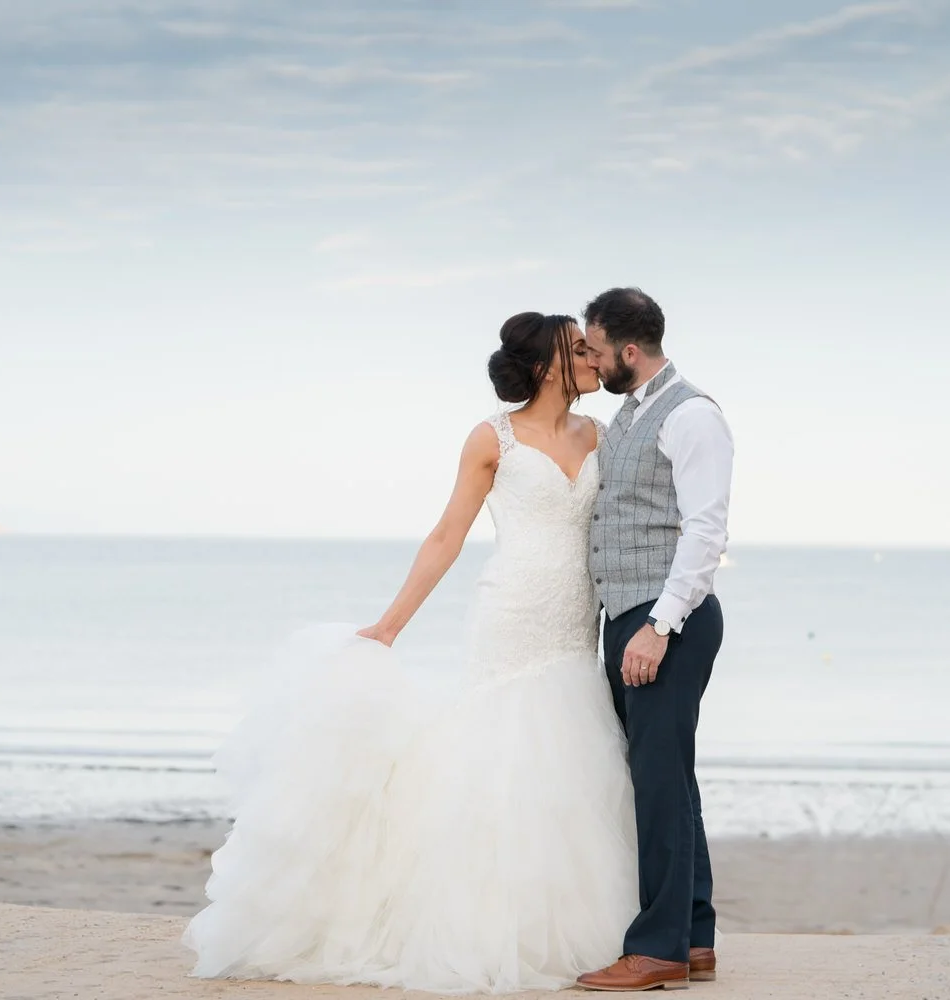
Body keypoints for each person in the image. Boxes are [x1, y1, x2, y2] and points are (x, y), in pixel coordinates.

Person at [183, 312, 640, 993]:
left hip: (577, 626)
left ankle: (577, 929)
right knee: (504, 763)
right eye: (578, 349)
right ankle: (490, 928)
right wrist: (390, 624)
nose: (591, 357)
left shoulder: (602, 434)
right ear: (546, 366)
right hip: (510, 616)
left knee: (574, 766)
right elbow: (447, 534)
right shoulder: (493, 438)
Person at [575, 287, 735, 992]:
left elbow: (706, 530)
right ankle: (694, 937)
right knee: (670, 776)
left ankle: (658, 948)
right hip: (632, 615)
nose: (594, 359)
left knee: (657, 784)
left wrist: (658, 626)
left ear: (628, 351)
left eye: (597, 348)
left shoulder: (694, 414)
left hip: (665, 620)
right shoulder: (629, 413)